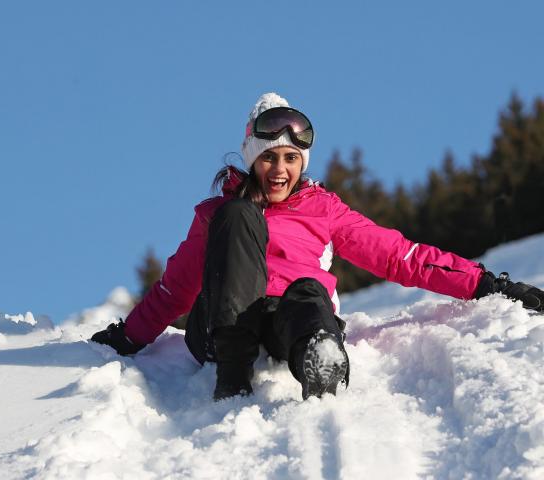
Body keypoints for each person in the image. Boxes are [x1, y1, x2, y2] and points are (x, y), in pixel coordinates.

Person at [91, 93, 544, 401]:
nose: (279, 170)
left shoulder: (322, 209)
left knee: (308, 292)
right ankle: (233, 373)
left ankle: (318, 355)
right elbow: (175, 291)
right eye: (269, 157)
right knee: (238, 215)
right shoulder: (216, 215)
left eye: (291, 159)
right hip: (221, 329)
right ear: (251, 159)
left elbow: (399, 256)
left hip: (284, 320)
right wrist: (126, 338)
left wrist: (487, 284)